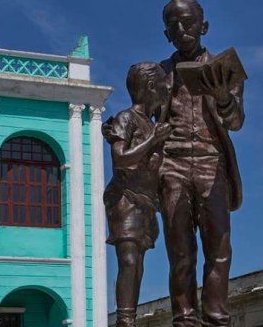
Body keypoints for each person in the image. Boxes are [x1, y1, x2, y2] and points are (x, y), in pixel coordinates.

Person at [157, 0, 245, 326]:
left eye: (189, 22)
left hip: (212, 162)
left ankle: (216, 320)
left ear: (203, 26)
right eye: (173, 25)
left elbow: (236, 122)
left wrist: (223, 97)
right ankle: (184, 320)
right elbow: (142, 116)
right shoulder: (158, 74)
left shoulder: (226, 69)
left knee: (219, 247)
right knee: (180, 252)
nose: (182, 30)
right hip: (173, 165)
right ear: (166, 33)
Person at [103, 62, 172, 327]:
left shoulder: (152, 123)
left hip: (146, 202)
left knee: (138, 263)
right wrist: (153, 140)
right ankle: (124, 320)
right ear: (151, 88)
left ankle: (128, 315)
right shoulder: (126, 118)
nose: (166, 93)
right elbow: (120, 160)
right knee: (129, 259)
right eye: (163, 88)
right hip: (125, 197)